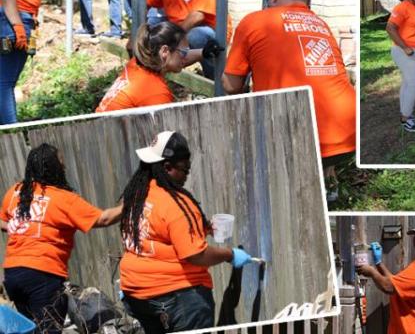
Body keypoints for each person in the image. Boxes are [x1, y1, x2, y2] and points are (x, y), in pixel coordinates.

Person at [221, 0, 358, 196]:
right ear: (307, 0)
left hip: (298, 139)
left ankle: (294, 189)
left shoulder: (253, 21)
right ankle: (328, 182)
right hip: (349, 135)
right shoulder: (321, 24)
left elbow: (230, 85)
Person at [119, 131, 251, 334]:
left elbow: (153, 232)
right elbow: (196, 256)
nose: (187, 175)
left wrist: (200, 228)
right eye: (185, 169)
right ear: (167, 167)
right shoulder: (175, 204)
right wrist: (230, 254)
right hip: (175, 297)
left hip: (136, 295)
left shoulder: (138, 195)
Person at [0, 144, 122, 334]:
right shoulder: (63, 199)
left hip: (13, 275)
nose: (64, 168)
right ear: (54, 168)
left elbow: (2, 220)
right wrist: (131, 203)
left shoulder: (15, 192)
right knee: (49, 330)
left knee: (31, 329)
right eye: (61, 163)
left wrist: (15, 226)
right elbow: (104, 218)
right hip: (41, 274)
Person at [96, 22, 195, 112]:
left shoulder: (134, 64)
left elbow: (175, 60)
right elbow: (164, 129)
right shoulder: (156, 92)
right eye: (184, 53)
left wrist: (203, 53)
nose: (185, 57)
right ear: (164, 51)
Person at [0, 0, 37, 125]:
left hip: (18, 18)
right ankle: (10, 131)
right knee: (4, 82)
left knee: (5, 81)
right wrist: (18, 27)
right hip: (13, 20)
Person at [387, 0, 415, 133]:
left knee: (407, 83)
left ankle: (405, 114)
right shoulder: (402, 7)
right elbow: (390, 28)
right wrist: (405, 47)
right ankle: (406, 118)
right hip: (403, 51)